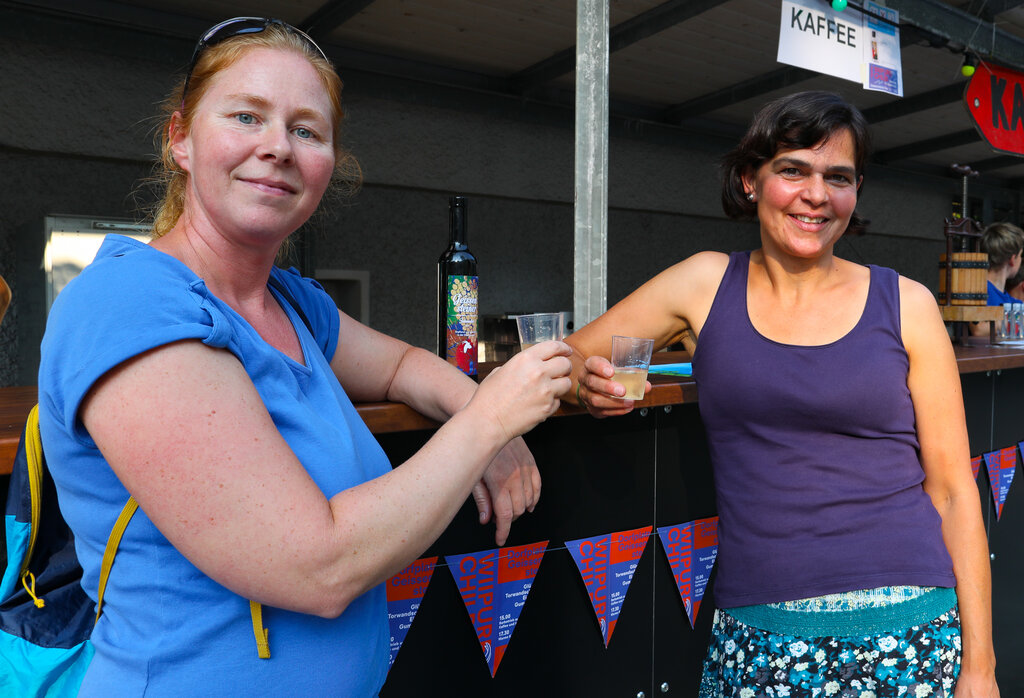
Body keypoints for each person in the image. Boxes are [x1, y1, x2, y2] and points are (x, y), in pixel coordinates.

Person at [37, 18, 571, 696]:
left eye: (305, 131)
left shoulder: (291, 303)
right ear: (181, 139)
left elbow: (403, 365)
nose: (277, 148)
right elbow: (315, 568)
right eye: (245, 116)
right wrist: (488, 423)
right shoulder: (129, 303)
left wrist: (473, 408)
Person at [566, 91, 999, 697]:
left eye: (838, 178)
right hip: (757, 636)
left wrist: (981, 670)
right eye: (793, 169)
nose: (816, 194)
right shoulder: (704, 283)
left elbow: (955, 493)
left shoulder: (906, 303)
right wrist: (580, 386)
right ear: (750, 179)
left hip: (912, 634)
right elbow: (561, 359)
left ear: (856, 193)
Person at [970, 221, 1023, 337]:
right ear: (1013, 259)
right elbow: (978, 329)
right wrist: (1014, 321)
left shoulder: (1006, 298)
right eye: (1021, 256)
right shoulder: (978, 290)